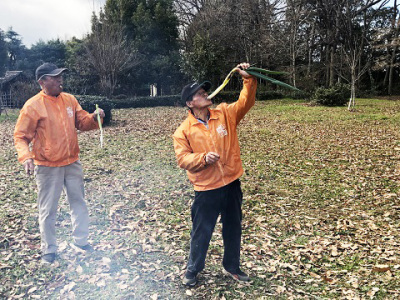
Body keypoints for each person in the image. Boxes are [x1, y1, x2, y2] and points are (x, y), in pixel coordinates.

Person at [173, 62, 257, 286]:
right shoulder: (183, 131)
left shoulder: (225, 114)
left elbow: (245, 102)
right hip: (206, 189)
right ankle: (193, 269)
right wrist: (202, 159)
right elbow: (183, 159)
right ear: (190, 103)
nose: (206, 94)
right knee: (202, 232)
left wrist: (248, 79)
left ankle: (232, 267)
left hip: (231, 183)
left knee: (233, 227)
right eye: (200, 94)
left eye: (205, 91)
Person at [14, 62, 105, 264]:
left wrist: (94, 118)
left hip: (72, 162)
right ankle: (49, 249)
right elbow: (20, 136)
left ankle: (80, 242)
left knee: (79, 203)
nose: (59, 80)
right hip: (47, 166)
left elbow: (82, 122)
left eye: (60, 76)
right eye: (54, 77)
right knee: (48, 210)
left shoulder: (69, 100)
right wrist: (26, 157)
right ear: (42, 82)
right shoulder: (32, 106)